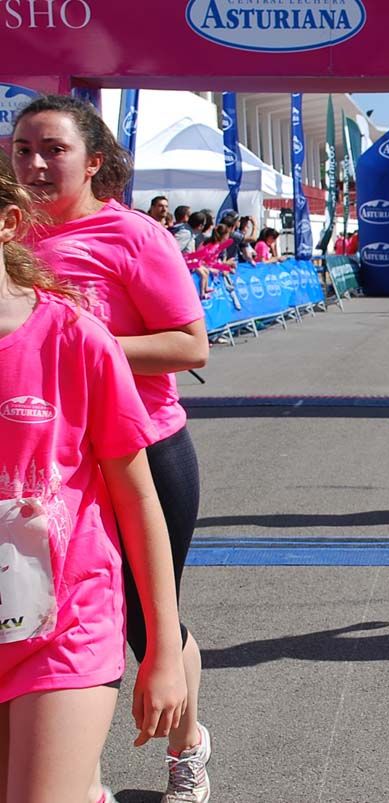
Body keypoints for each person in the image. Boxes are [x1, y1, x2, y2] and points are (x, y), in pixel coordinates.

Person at [13, 94, 213, 802]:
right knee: (44, 617)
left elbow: (191, 345)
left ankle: (187, 747)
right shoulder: (11, 236)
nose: (36, 164)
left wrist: (81, 345)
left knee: (150, 620)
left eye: (54, 150)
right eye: (23, 149)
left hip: (142, 447)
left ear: (94, 161)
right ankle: (78, 774)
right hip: (51, 461)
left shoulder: (133, 235)